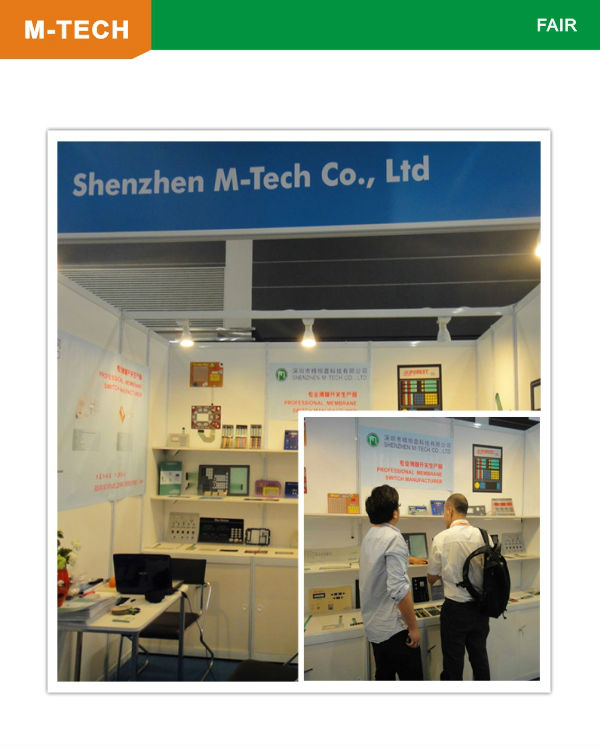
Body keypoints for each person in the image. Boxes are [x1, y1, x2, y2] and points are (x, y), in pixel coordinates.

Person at [359, 484, 423, 680]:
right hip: (395, 630)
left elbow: (380, 565)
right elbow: (399, 590)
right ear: (394, 512)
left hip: (375, 627)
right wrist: (413, 628)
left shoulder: (369, 536)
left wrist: (409, 559)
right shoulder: (394, 538)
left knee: (384, 677)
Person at [427, 493, 490, 680]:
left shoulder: (441, 538)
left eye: (444, 513)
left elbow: (431, 578)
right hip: (480, 609)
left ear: (450, 510)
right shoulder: (484, 536)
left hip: (454, 610)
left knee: (453, 665)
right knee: (480, 660)